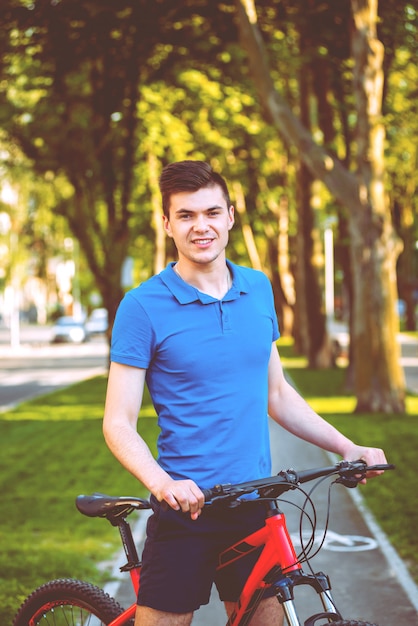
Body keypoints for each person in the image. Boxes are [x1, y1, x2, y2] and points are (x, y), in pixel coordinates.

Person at [103, 160, 388, 626]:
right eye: (187, 215)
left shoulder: (257, 288)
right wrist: (163, 484)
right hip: (185, 509)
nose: (202, 227)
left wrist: (346, 446)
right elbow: (117, 422)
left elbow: (277, 392)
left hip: (255, 502)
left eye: (212, 213)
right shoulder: (141, 307)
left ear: (231, 216)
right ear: (167, 225)